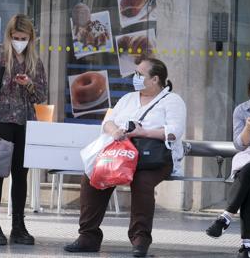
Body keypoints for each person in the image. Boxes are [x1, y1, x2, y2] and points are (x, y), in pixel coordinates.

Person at [64, 58, 186, 257]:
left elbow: (175, 131)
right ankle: (88, 236)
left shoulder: (172, 100)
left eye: (140, 74)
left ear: (155, 79)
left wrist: (142, 132)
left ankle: (140, 239)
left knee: (142, 182)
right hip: (121, 154)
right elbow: (107, 121)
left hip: (152, 159)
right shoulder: (128, 98)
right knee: (93, 177)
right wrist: (115, 132)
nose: (135, 78)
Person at [0, 14, 48, 246]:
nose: (20, 41)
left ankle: (18, 226)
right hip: (1, 118)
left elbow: (41, 95)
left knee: (21, 175)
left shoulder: (34, 61)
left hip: (25, 120)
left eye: (24, 38)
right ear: (9, 36)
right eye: (16, 37)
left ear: (31, 38)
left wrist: (27, 83)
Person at [205, 64, 250, 258]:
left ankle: (225, 217)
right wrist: (248, 128)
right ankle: (247, 246)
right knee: (248, 184)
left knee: (248, 172)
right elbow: (240, 145)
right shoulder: (242, 110)